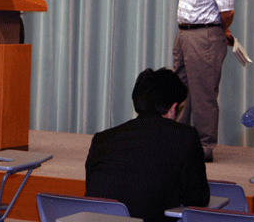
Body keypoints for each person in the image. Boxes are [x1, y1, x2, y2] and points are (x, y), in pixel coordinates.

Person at [85, 68, 210, 222]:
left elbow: (92, 192)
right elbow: (198, 199)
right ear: (173, 108)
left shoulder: (101, 139)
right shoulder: (185, 137)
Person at [173, 0, 234, 162]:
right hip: (184, 34)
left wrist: (221, 30)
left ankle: (203, 147)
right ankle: (179, 142)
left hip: (204, 37)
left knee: (203, 94)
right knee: (180, 90)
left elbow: (227, 12)